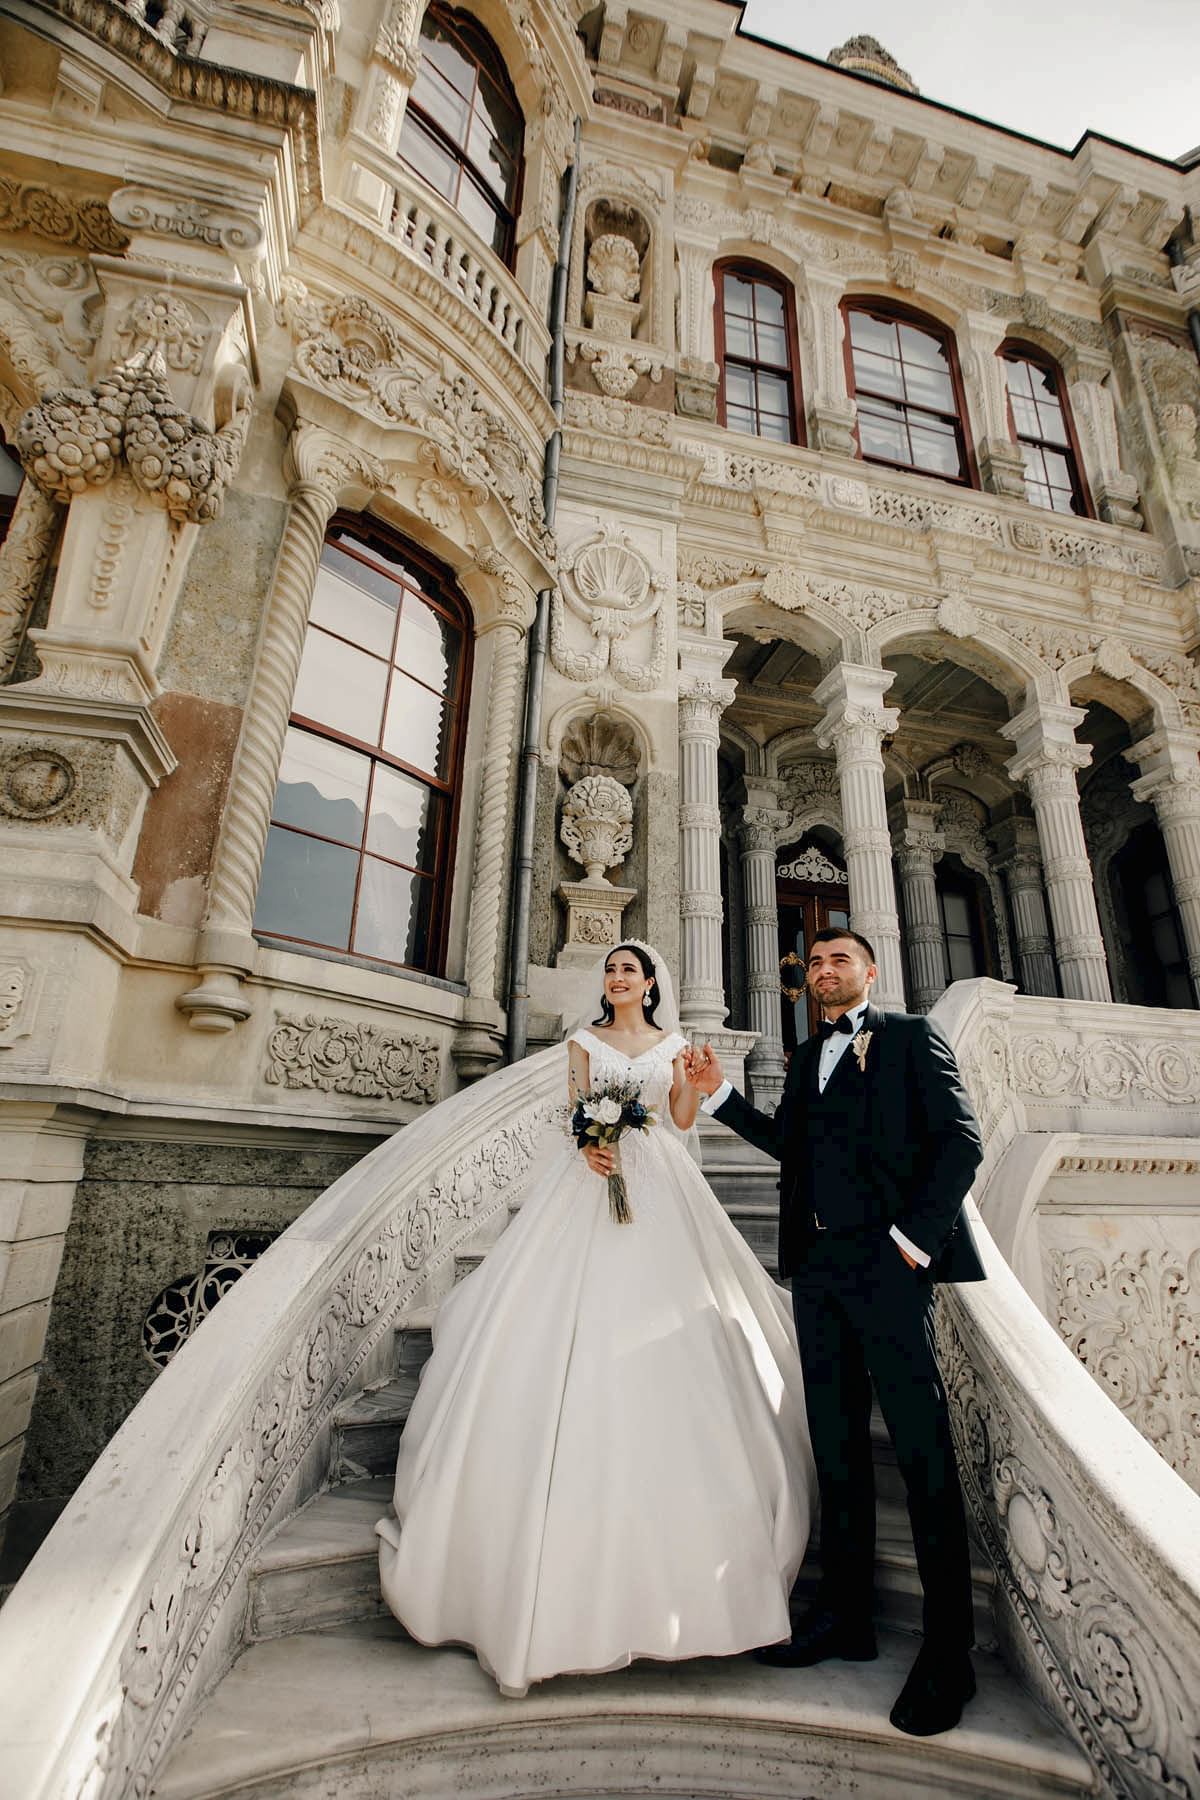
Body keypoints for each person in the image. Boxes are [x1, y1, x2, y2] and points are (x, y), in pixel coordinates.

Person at [376, 940, 816, 1699]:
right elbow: (576, 1116)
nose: (616, 979)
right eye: (610, 970)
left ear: (650, 984)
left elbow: (680, 1120)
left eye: (628, 971)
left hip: (661, 1184)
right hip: (591, 1183)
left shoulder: (674, 1044)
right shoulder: (582, 1042)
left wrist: (692, 1088)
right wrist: (592, 1147)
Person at [684, 927, 984, 1738]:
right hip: (817, 1276)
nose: (824, 971)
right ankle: (846, 1617)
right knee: (838, 1448)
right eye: (814, 962)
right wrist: (720, 1096)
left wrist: (911, 1244)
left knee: (922, 1454)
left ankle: (949, 1652)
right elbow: (792, 1146)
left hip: (889, 1271)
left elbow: (960, 1143)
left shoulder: (911, 1038)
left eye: (839, 960)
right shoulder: (810, 1056)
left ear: (870, 971)